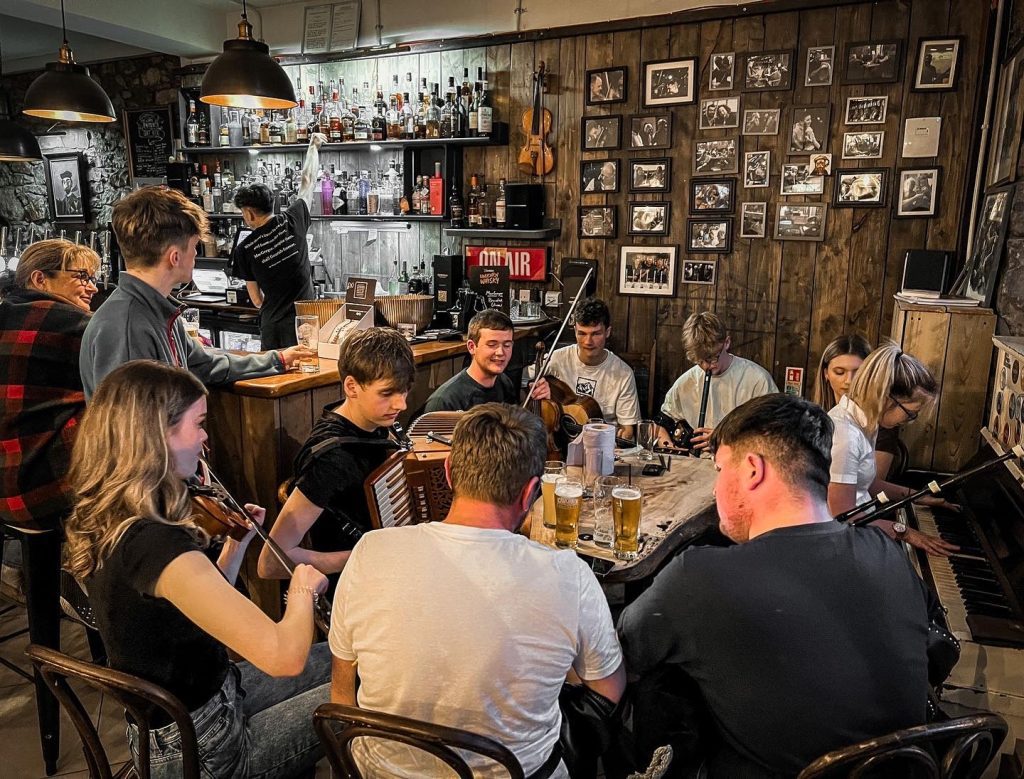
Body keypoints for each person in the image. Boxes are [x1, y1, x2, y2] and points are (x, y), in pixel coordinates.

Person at [618, 394, 931, 777]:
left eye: (720, 470)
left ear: (753, 470)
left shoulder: (699, 577)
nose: (716, 490)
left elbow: (622, 656)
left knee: (659, 684)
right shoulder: (889, 555)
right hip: (912, 767)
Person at [328, 403, 625, 777]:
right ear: (531, 491)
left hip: (377, 773)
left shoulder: (370, 551)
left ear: (449, 473)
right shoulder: (570, 575)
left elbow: (341, 695)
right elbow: (609, 690)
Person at [65, 360, 329, 778]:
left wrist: (236, 546)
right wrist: (303, 589)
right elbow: (285, 658)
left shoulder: (113, 515)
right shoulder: (155, 542)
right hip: (200, 749)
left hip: (199, 710)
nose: (206, 439)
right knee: (365, 688)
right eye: (199, 424)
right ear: (156, 435)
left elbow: (195, 605)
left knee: (341, 660)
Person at [79, 186, 313, 397]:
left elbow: (205, 364)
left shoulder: (156, 311)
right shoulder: (128, 327)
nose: (195, 256)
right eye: (193, 246)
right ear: (175, 257)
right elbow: (132, 434)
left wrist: (278, 359)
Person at [258, 328, 414, 585]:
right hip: (353, 586)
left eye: (404, 391)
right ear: (352, 387)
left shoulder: (374, 426)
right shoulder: (332, 458)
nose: (401, 405)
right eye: (387, 393)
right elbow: (271, 562)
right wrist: (363, 556)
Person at [1, 240, 98, 532]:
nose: (92, 287)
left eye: (93, 278)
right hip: (45, 492)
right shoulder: (78, 325)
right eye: (81, 276)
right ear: (40, 278)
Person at [828, 342, 958, 556]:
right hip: (844, 545)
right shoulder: (845, 436)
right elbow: (843, 517)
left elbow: (864, 483)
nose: (909, 420)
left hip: (862, 533)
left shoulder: (865, 423)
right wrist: (906, 533)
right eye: (911, 413)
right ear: (887, 399)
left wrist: (916, 495)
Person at [231, 138, 323, 349]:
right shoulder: (293, 220)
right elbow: (307, 179)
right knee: (306, 372)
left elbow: (255, 299)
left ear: (249, 213)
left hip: (273, 325)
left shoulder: (244, 249)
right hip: (304, 323)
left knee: (275, 375)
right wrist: (313, 147)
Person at [660, 312, 777, 451]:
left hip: (741, 463)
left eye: (712, 358)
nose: (706, 366)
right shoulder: (685, 382)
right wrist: (671, 448)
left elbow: (775, 433)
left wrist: (725, 439)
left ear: (727, 343)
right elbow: (661, 424)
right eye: (699, 361)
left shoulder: (757, 379)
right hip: (695, 463)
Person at [537, 297, 641, 440]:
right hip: (560, 444)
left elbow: (627, 429)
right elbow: (524, 379)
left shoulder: (623, 374)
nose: (588, 342)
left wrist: (622, 437)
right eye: (582, 333)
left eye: (596, 334)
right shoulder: (557, 359)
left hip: (602, 446)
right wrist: (537, 387)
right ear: (575, 331)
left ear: (608, 332)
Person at [424, 309, 548, 412]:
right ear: (472, 347)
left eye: (507, 345)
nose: (500, 352)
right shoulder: (444, 402)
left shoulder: (504, 383)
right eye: (492, 344)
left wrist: (536, 400)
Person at [813, 334, 872, 411]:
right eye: (839, 372)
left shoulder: (882, 419)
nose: (849, 381)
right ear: (826, 373)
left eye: (858, 373)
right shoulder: (812, 419)